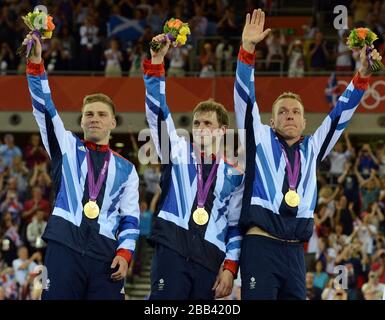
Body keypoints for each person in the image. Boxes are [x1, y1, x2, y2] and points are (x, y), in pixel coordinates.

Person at [235, 9, 381, 300]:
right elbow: (245, 98)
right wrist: (248, 50)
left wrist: (362, 76)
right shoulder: (260, 137)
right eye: (283, 112)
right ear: (272, 121)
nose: (290, 116)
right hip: (260, 246)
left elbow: (340, 114)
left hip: (295, 253)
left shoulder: (312, 148)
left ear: (304, 123)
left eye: (296, 112)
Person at [22, 32, 140, 300]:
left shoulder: (127, 169)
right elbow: (44, 108)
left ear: (113, 122)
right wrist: (36, 65)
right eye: (89, 114)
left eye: (101, 114)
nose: (94, 119)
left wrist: (125, 253)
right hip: (64, 246)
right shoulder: (67, 147)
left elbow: (130, 219)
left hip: (106, 255)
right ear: (82, 121)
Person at [142, 34, 244, 300]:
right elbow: (158, 114)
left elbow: (234, 225)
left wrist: (230, 268)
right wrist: (156, 63)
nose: (199, 128)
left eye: (207, 124)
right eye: (196, 123)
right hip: (171, 250)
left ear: (222, 130)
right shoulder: (177, 150)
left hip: (209, 260)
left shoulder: (234, 174)